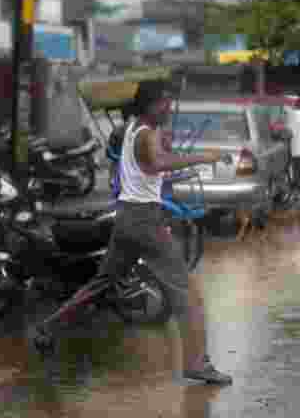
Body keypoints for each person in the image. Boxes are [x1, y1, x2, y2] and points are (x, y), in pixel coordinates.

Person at [36, 83, 232, 385]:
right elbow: (157, 163)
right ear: (150, 105)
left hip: (126, 218)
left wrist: (169, 151)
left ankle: (48, 327)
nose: (169, 108)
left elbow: (153, 165)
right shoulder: (145, 135)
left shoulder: (133, 129)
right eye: (164, 103)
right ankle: (197, 363)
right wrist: (206, 157)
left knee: (102, 282)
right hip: (145, 221)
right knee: (186, 293)